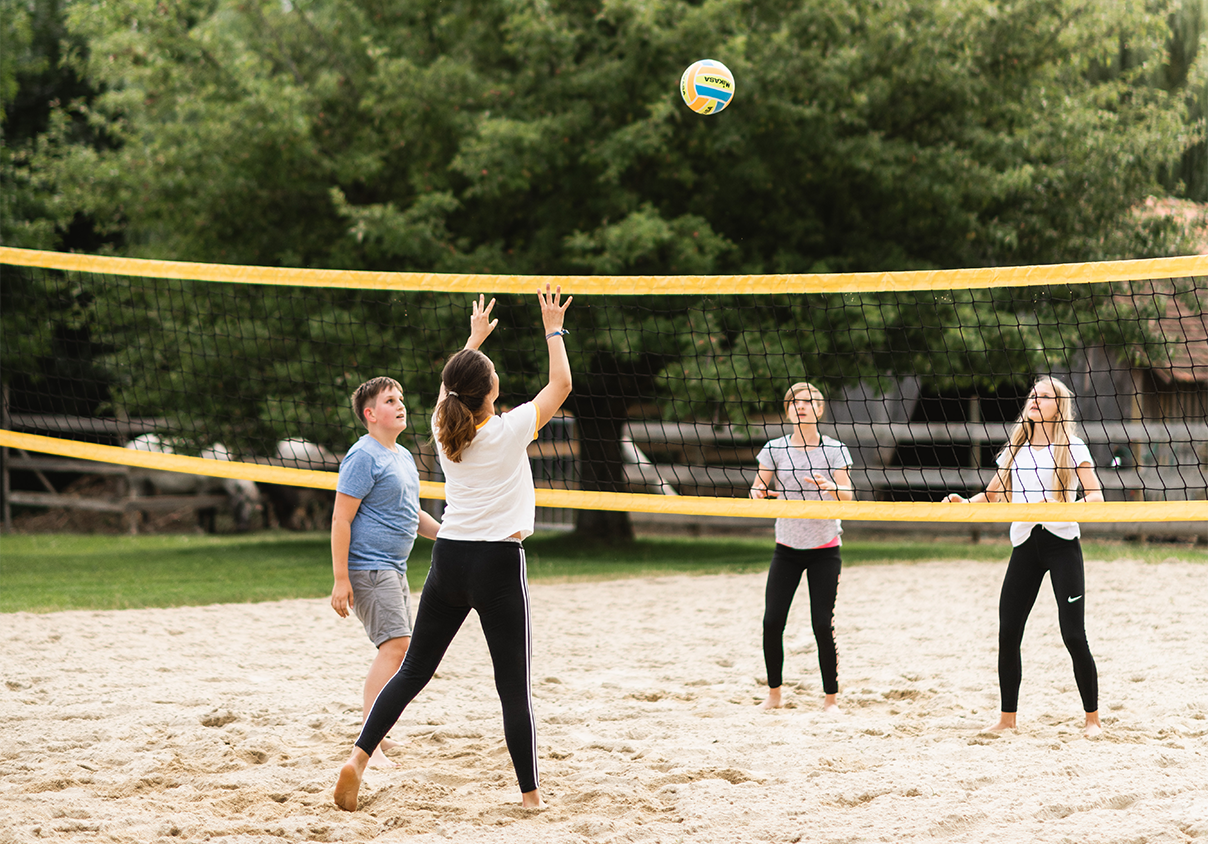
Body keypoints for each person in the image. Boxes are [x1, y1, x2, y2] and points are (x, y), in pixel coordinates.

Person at [334, 286, 572, 812]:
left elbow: (449, 388)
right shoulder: (509, 429)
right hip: (497, 561)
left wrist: (473, 341)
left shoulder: (445, 431)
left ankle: (359, 756)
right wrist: (552, 327)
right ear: (490, 392)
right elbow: (562, 383)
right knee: (512, 684)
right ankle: (530, 798)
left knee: (415, 668)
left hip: (450, 558)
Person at [943, 376, 1104, 737]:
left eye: (1044, 396)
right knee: (1008, 633)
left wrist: (1065, 508)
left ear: (1057, 407)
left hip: (1062, 544)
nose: (1035, 400)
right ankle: (1007, 719)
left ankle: (1092, 719)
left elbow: (1096, 498)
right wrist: (963, 503)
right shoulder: (1015, 449)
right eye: (1033, 395)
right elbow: (992, 495)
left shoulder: (1073, 447)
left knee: (1073, 635)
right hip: (1025, 546)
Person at [330, 376, 441, 768]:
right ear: (370, 414)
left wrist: (446, 537)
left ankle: (379, 732)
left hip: (393, 568)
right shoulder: (363, 456)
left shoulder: (404, 456)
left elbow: (413, 517)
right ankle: (369, 743)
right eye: (389, 400)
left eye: (401, 399)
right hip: (368, 567)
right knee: (396, 647)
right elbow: (341, 519)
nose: (400, 405)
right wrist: (341, 578)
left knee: (399, 648)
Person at [750, 381, 853, 713]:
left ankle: (830, 700)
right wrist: (758, 493)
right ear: (788, 410)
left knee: (822, 623)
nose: (802, 406)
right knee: (771, 622)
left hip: (825, 546)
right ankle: (775, 695)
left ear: (820, 410)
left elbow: (848, 495)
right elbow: (758, 487)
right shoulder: (774, 449)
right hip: (787, 546)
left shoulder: (835, 449)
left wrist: (831, 486)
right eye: (795, 402)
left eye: (809, 401)